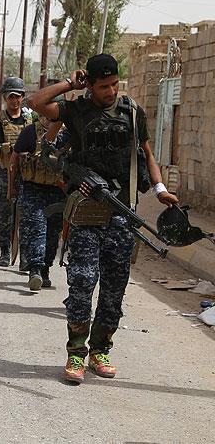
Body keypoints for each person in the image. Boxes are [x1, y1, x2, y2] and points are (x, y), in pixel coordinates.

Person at [27, 53, 179, 383]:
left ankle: (100, 350)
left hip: (122, 214)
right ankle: (76, 352)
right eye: (103, 86)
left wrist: (160, 189)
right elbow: (35, 102)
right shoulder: (76, 110)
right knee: (82, 282)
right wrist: (69, 84)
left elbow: (147, 153)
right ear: (91, 85)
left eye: (114, 84)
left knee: (114, 289)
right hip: (86, 212)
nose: (111, 91)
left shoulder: (132, 111)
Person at [8, 109, 67, 291]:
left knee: (53, 233)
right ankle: (35, 269)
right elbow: (14, 159)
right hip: (33, 189)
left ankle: (45, 269)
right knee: (36, 228)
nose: (49, 119)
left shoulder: (68, 134)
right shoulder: (31, 131)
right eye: (47, 115)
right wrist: (11, 187)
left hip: (58, 192)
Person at [0, 77, 35, 266]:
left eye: (18, 96)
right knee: (5, 214)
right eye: (11, 96)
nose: (15, 100)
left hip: (27, 174)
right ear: (5, 97)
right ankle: (5, 250)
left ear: (22, 97)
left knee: (27, 215)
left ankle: (24, 255)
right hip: (5, 173)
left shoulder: (30, 120)